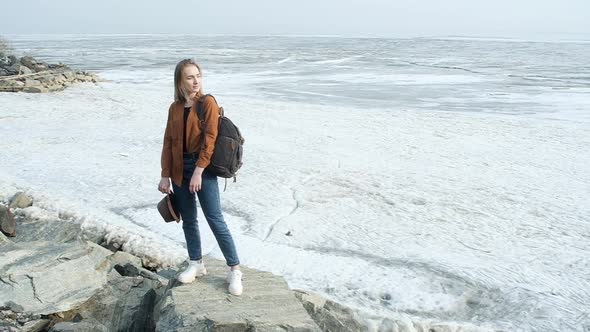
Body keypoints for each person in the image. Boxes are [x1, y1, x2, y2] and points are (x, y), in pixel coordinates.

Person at [158, 58, 243, 296]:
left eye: (198, 76)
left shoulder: (207, 103)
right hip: (178, 169)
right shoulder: (174, 108)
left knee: (215, 219)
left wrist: (198, 170)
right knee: (189, 220)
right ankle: (196, 263)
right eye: (189, 77)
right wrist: (165, 175)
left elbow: (211, 139)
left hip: (201, 169)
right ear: (180, 80)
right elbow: (168, 142)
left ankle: (234, 268)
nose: (196, 81)